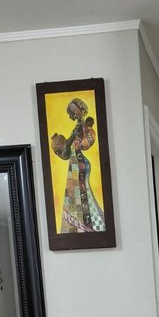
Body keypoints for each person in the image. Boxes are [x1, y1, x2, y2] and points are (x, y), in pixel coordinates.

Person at [50, 97, 106, 234]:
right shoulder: (79, 127)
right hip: (77, 162)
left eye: (71, 114)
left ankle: (88, 225)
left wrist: (73, 136)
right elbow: (67, 149)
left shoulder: (80, 127)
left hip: (78, 163)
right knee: (78, 194)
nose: (70, 117)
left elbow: (73, 146)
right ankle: (84, 225)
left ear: (76, 113)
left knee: (80, 193)